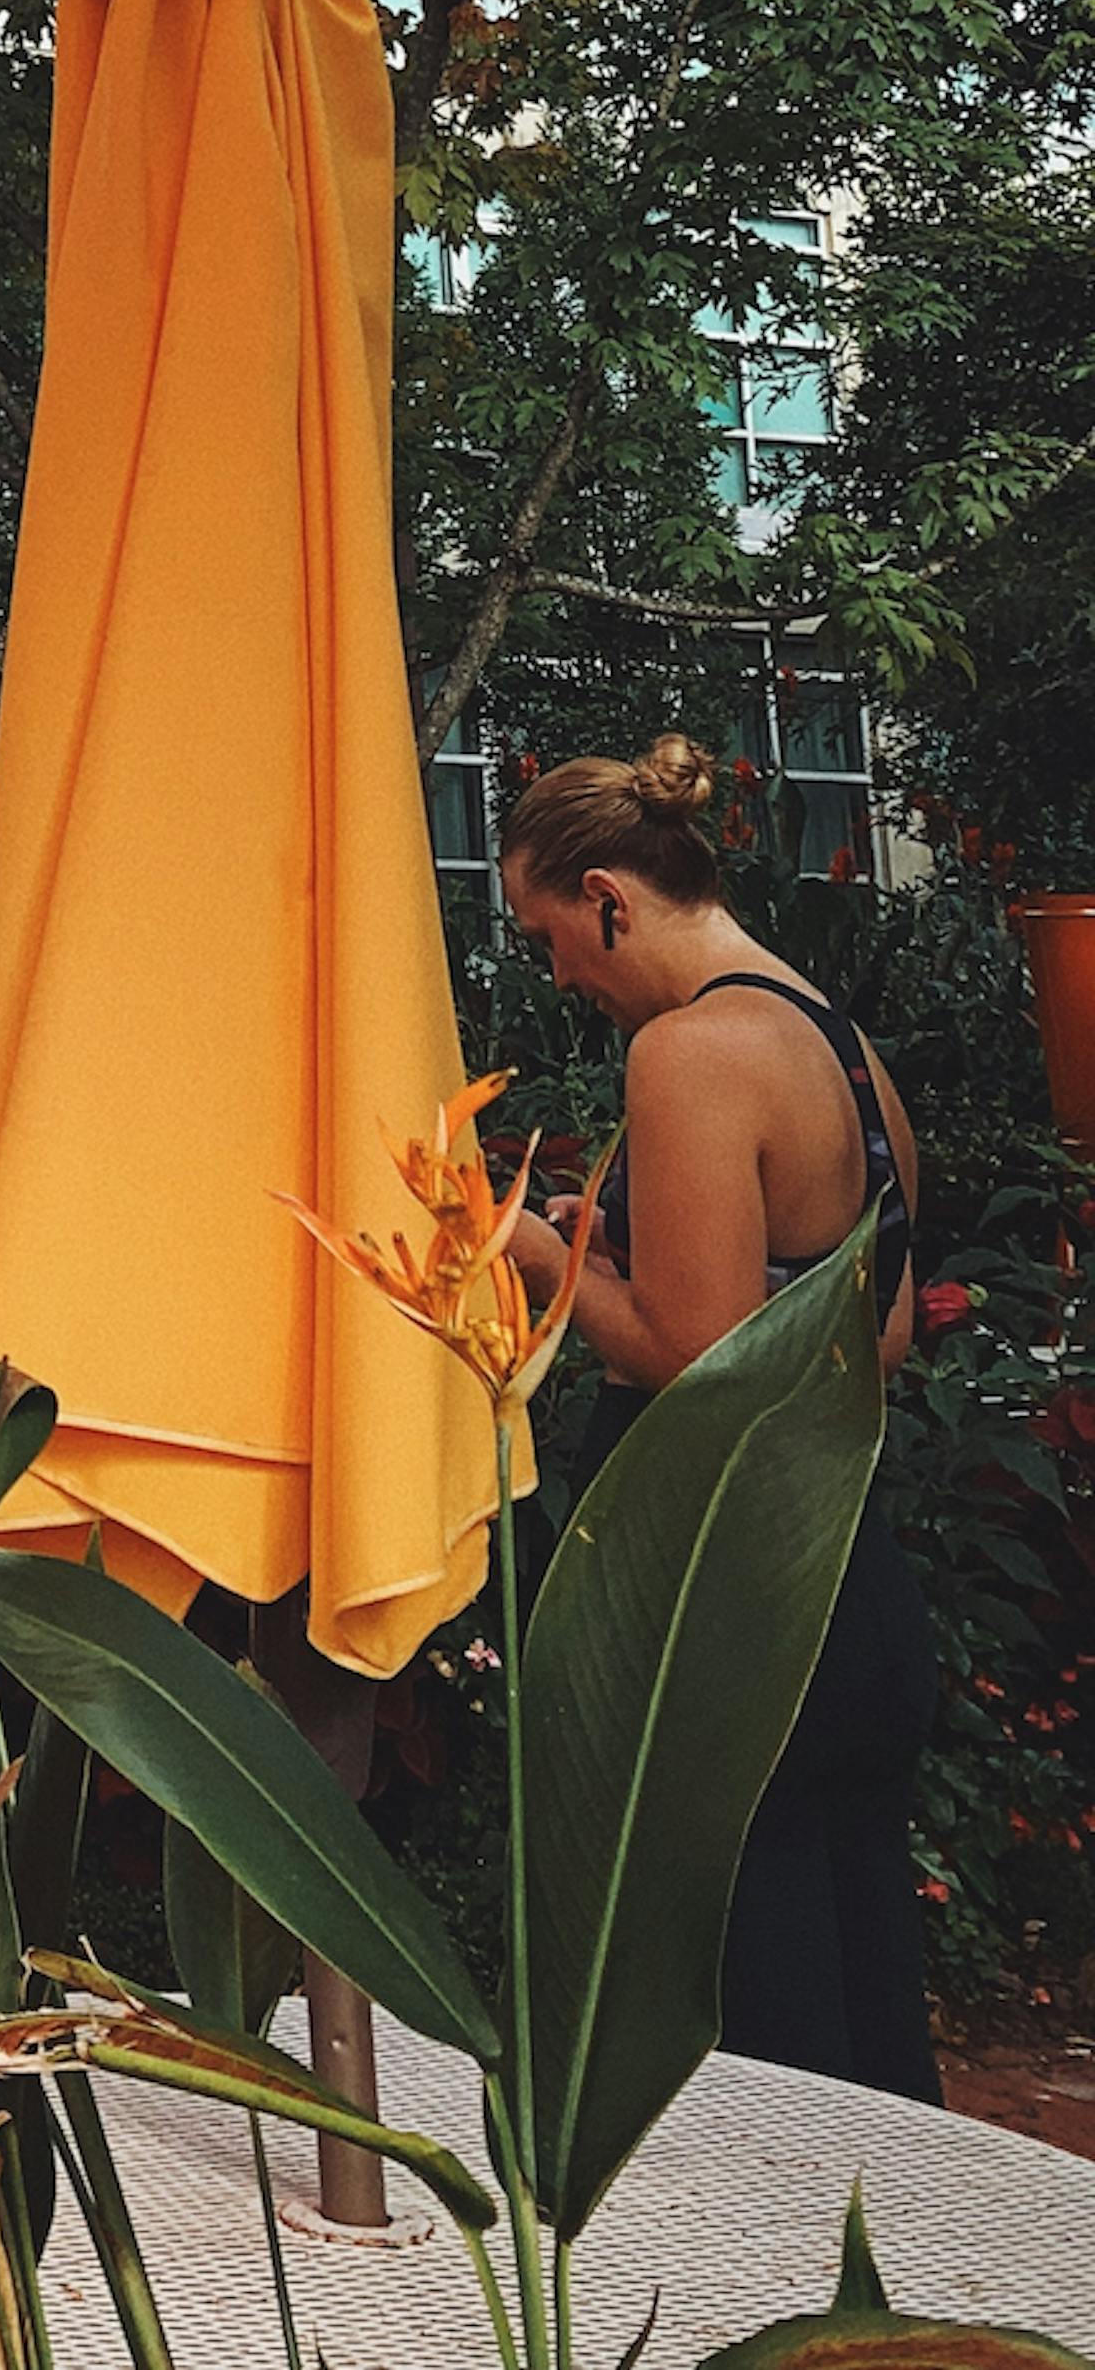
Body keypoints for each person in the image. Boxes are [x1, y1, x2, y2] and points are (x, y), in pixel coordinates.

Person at [494, 732, 941, 2100]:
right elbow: (883, 1327)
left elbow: (699, 1354)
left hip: (717, 1602)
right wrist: (615, 1254)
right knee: (861, 2006)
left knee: (754, 2037)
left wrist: (527, 1252)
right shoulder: (838, 1044)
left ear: (611, 898)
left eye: (551, 934)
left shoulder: (689, 1054)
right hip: (846, 1575)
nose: (561, 975)